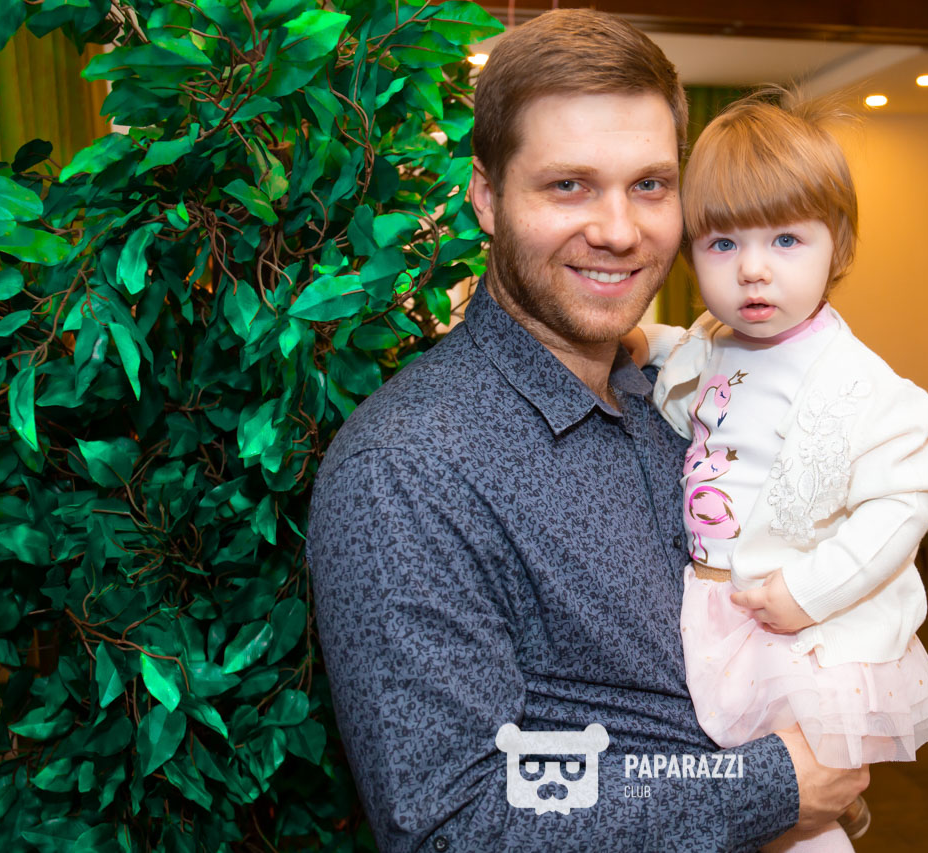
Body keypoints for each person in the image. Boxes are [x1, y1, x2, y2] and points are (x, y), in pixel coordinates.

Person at [306, 11, 867, 852]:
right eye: (569, 185)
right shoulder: (409, 467)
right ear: (487, 196)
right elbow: (455, 824)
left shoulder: (673, 399)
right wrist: (770, 786)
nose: (619, 229)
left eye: (650, 185)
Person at [625, 91, 928, 851]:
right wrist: (644, 342)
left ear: (840, 245)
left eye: (786, 240)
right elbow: (690, 354)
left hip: (787, 627)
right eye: (722, 243)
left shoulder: (864, 388)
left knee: (797, 804)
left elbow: (902, 505)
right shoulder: (715, 340)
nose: (753, 271)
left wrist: (808, 592)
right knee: (727, 796)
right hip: (709, 607)